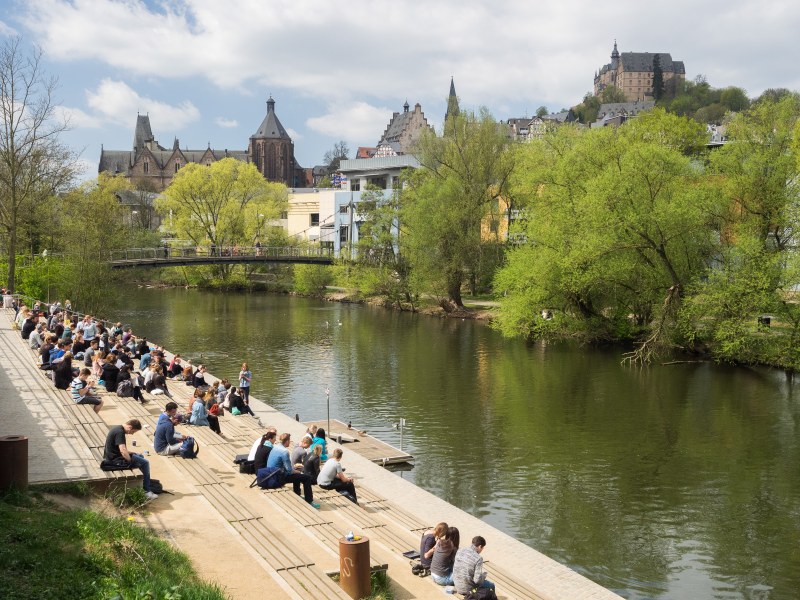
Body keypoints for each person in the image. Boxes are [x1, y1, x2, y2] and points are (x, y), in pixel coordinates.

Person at [103, 419, 158, 501]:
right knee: (145, 463)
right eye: (133, 431)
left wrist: (132, 453)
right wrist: (130, 461)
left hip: (112, 455)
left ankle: (144, 482)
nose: (132, 434)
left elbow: (118, 448)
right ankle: (147, 491)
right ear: (130, 427)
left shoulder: (117, 428)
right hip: (115, 459)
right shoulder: (120, 433)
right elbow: (122, 450)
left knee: (140, 456)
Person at [266, 433, 319, 508]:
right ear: (287, 441)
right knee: (306, 478)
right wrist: (297, 471)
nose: (290, 442)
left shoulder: (275, 447)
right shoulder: (284, 451)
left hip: (270, 473)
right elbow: (289, 470)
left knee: (297, 476)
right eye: (289, 440)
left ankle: (297, 494)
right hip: (278, 477)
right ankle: (309, 500)